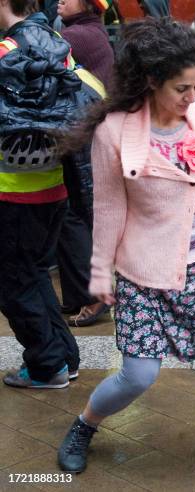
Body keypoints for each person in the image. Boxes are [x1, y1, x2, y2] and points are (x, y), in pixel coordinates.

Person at [56, 17, 195, 474]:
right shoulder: (114, 132)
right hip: (140, 270)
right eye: (182, 88)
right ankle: (85, 424)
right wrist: (97, 273)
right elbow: (109, 209)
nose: (193, 97)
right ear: (151, 81)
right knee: (138, 376)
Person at [0, 0, 80, 389]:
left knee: (14, 281)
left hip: (12, 190)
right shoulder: (57, 44)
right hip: (52, 185)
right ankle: (64, 356)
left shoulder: (7, 51)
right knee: (33, 275)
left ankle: (47, 366)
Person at [55, 0, 115, 327]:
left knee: (75, 216)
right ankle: (80, 294)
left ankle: (95, 296)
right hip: (83, 133)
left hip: (84, 136)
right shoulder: (84, 31)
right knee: (73, 215)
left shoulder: (79, 36)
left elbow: (28, 52)